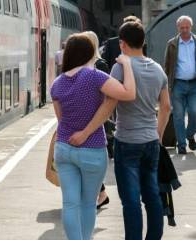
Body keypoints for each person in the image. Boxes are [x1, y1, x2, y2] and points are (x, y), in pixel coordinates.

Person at [51, 33, 136, 240]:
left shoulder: (57, 83)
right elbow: (128, 93)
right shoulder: (94, 76)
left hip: (64, 148)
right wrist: (127, 64)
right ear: (89, 53)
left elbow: (61, 120)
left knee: (70, 203)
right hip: (92, 148)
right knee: (89, 203)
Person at [109, 21, 170, 240]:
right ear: (144, 41)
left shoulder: (120, 67)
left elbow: (110, 103)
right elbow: (166, 107)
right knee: (152, 196)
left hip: (127, 141)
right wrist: (158, 134)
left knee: (131, 201)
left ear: (122, 44)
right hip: (151, 140)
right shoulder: (157, 68)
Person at [84, 31, 111, 210]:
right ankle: (100, 193)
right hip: (85, 116)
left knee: (91, 158)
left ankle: (99, 193)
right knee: (87, 158)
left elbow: (106, 92)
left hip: (97, 116)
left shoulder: (100, 65)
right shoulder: (83, 64)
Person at [164, 15, 196, 154]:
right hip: (177, 84)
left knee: (194, 112)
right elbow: (166, 65)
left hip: (194, 84)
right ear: (178, 28)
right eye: (182, 27)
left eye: (187, 27)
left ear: (191, 27)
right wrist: (165, 85)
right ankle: (182, 145)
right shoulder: (171, 44)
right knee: (178, 115)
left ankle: (190, 135)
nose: (184, 30)